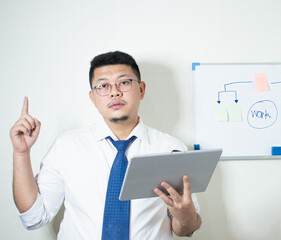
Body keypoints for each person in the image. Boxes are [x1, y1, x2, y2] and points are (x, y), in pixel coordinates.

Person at [10, 51, 202, 239]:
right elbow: (34, 218)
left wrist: (185, 216)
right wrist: (21, 152)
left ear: (141, 89)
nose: (114, 92)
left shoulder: (170, 148)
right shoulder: (66, 146)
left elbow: (185, 229)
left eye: (124, 82)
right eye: (103, 86)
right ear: (93, 97)